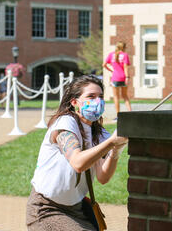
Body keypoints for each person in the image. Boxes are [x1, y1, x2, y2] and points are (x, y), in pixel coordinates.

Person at [26, 75, 128, 231]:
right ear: (74, 102)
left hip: (76, 208)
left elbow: (103, 177)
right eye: (91, 96)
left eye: (100, 97)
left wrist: (116, 150)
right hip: (46, 208)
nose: (97, 101)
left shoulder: (99, 134)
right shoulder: (65, 123)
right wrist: (110, 143)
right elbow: (77, 163)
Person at [102, 41, 132, 120]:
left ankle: (118, 115)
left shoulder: (111, 55)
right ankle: (130, 112)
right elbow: (126, 67)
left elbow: (104, 64)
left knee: (116, 97)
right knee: (125, 96)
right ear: (124, 47)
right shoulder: (125, 55)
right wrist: (127, 77)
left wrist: (111, 71)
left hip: (115, 78)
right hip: (123, 78)